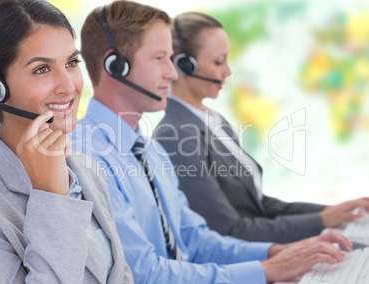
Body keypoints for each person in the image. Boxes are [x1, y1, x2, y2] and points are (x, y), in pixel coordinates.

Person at [70, 1, 355, 283]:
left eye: (171, 58)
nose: (172, 72)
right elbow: (142, 273)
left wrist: (280, 252)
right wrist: (266, 271)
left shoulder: (151, 151)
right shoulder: (86, 157)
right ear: (115, 65)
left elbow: (196, 240)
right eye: (159, 58)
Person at [153, 11, 369, 244]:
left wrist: (329, 212)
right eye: (218, 61)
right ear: (185, 65)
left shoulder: (213, 120)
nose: (228, 71)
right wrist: (320, 222)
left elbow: (257, 204)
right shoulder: (175, 135)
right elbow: (229, 229)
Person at [0, 0, 133, 283]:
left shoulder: (86, 171)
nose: (69, 87)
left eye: (71, 63)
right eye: (42, 69)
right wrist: (52, 199)